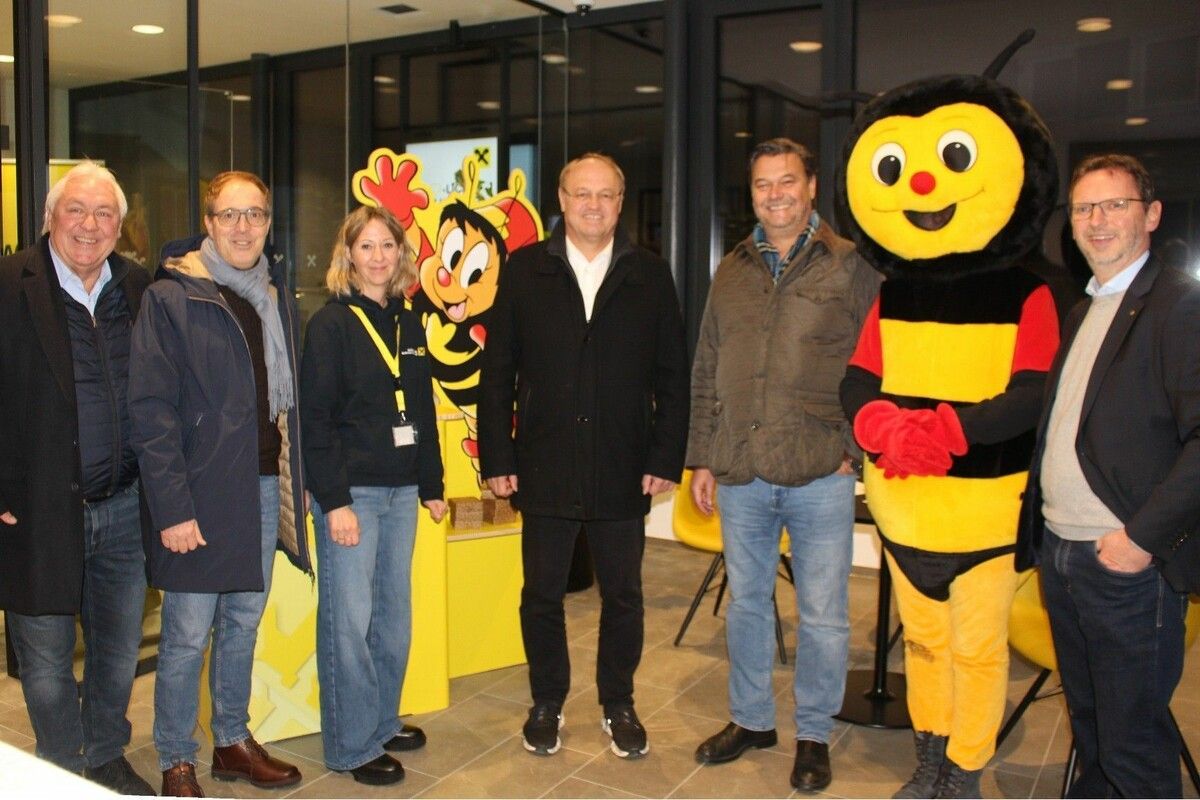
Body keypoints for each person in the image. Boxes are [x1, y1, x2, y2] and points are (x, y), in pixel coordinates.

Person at [478, 152, 689, 759]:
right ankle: (546, 701)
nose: (593, 205)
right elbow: (498, 376)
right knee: (541, 593)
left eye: (606, 195)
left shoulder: (650, 275)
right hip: (543, 462)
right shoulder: (523, 270)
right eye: (581, 194)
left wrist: (665, 455)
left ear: (621, 204)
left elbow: (672, 377)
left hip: (624, 463)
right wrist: (498, 455)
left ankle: (617, 703)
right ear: (562, 201)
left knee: (623, 595)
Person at [686, 138, 880, 791]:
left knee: (824, 613)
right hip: (740, 466)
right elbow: (707, 365)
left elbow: (878, 362)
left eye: (786, 182)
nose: (775, 195)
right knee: (747, 605)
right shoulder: (732, 269)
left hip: (821, 468)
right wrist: (702, 456)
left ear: (811, 186)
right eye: (763, 185)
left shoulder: (850, 266)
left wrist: (855, 446)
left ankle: (814, 733)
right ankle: (752, 720)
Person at [1017, 153, 1200, 798]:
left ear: (1150, 214)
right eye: (1083, 208)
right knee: (1093, 730)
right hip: (1064, 555)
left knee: (1133, 748)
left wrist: (1139, 540)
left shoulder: (1177, 304)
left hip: (1124, 565)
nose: (1096, 221)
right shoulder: (1086, 308)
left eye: (1114, 205)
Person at [129, 170, 310, 797]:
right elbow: (150, 411)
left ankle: (231, 740)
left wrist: (297, 480)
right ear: (207, 222)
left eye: (255, 215)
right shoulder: (172, 296)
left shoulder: (275, 295)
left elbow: (287, 407)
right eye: (229, 215)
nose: (242, 227)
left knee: (241, 623)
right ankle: (178, 757)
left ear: (267, 224)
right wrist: (173, 509)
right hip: (199, 497)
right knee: (183, 636)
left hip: (261, 487)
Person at [0, 162, 154, 795]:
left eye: (104, 214)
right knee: (44, 662)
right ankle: (61, 767)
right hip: (35, 509)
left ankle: (105, 754)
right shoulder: (10, 284)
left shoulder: (141, 290)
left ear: (120, 227)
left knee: (118, 651)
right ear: (49, 218)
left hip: (124, 506)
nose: (90, 226)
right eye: (77, 211)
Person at [300, 206, 447, 786]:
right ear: (349, 256)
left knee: (392, 620)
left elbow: (423, 407)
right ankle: (351, 744)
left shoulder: (409, 323)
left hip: (402, 488)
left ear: (401, 254)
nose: (379, 256)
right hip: (352, 493)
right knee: (350, 622)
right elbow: (315, 419)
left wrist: (433, 485)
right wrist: (334, 501)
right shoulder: (331, 325)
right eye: (367, 247)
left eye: (388, 245)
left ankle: (382, 720)